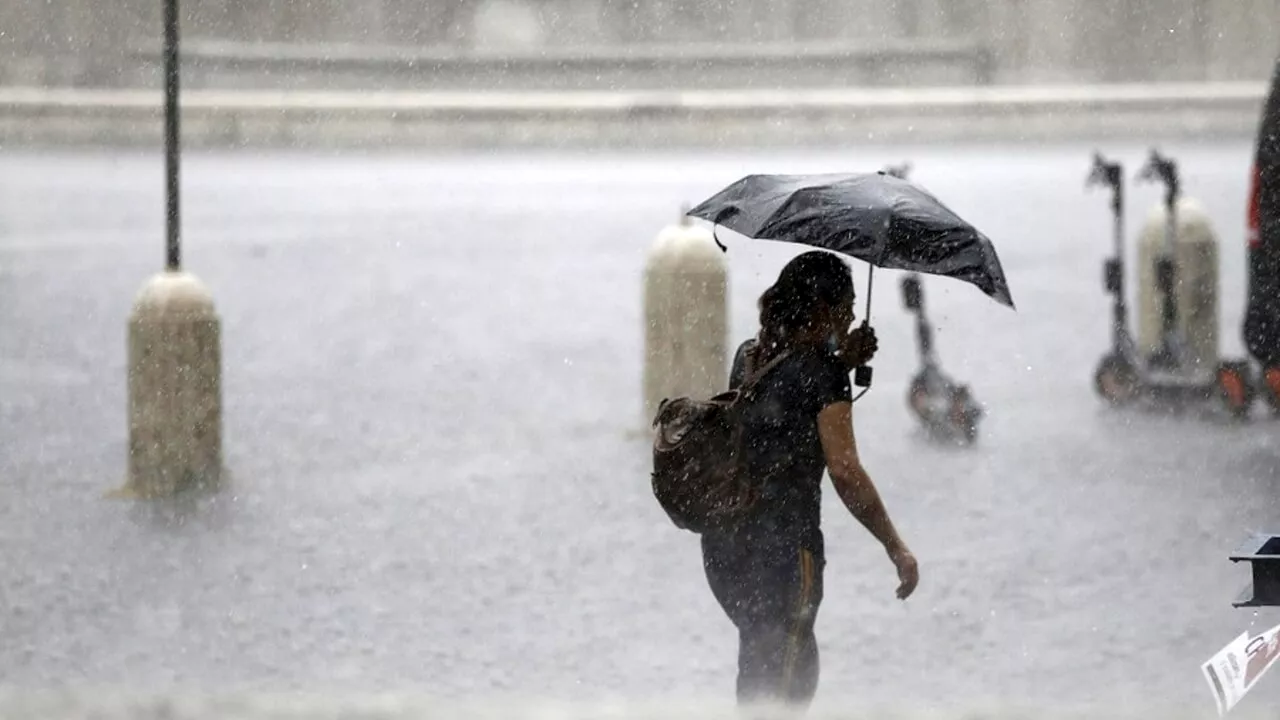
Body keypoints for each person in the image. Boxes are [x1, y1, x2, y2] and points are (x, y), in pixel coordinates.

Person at [701, 250, 919, 713]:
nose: (854, 315)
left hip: (725, 547)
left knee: (763, 659)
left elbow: (779, 404)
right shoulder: (822, 376)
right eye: (848, 304)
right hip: (780, 549)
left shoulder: (750, 355)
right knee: (788, 674)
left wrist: (839, 359)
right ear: (824, 308)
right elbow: (844, 470)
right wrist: (894, 546)